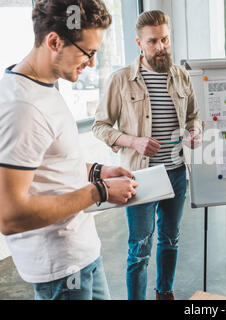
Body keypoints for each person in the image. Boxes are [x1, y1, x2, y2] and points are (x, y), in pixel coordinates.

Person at [0, 0, 139, 300]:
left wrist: (98, 171)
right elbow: (9, 216)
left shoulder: (44, 86)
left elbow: (50, 165)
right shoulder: (22, 108)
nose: (91, 63)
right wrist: (99, 191)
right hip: (60, 269)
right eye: (88, 53)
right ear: (54, 41)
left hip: (82, 251)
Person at [92, 10, 203, 300]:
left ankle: (164, 292)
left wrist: (194, 131)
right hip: (139, 177)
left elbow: (194, 116)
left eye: (165, 39)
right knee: (139, 247)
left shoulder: (180, 76)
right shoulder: (121, 80)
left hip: (177, 173)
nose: (161, 47)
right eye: (153, 41)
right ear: (140, 43)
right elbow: (100, 126)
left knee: (170, 239)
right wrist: (133, 141)